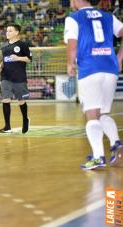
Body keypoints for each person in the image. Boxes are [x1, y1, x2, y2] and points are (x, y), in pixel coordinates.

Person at [65, 0, 123, 170]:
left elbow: (72, 42)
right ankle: (116, 143)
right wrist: (120, 58)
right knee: (103, 112)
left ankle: (98, 157)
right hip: (110, 68)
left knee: (92, 114)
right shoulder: (107, 16)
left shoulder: (74, 18)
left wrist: (70, 64)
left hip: (90, 68)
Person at [0, 24, 31, 134]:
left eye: (10, 31)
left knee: (21, 100)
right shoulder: (4, 47)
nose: (7, 33)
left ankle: (25, 120)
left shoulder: (23, 44)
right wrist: (2, 64)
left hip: (19, 77)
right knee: (5, 99)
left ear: (17, 32)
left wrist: (18, 58)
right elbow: (6, 59)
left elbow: (28, 59)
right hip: (6, 76)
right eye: (7, 31)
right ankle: (7, 126)